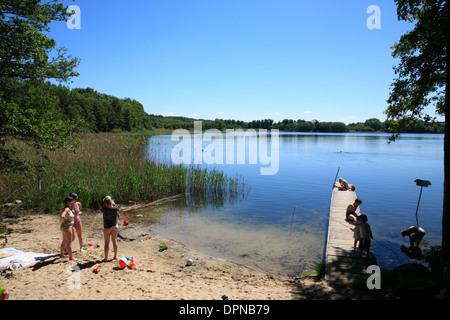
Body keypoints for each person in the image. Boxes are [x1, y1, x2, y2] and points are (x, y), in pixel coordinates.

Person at [101, 197, 120, 262]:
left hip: (107, 227)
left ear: (105, 204)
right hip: (114, 226)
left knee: (106, 243)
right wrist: (113, 203)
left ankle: (106, 258)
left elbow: (102, 209)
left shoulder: (104, 209)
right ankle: (115, 256)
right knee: (114, 241)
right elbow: (117, 206)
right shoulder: (115, 208)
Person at [60, 196, 76, 261]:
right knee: (69, 242)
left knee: (64, 241)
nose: (72, 202)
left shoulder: (66, 208)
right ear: (67, 202)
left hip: (65, 227)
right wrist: (65, 218)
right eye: (71, 201)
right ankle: (71, 257)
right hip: (67, 227)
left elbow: (61, 212)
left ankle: (61, 254)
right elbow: (62, 215)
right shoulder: (66, 209)